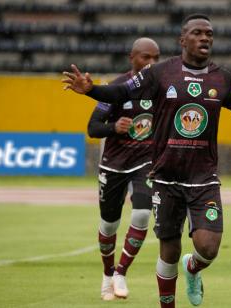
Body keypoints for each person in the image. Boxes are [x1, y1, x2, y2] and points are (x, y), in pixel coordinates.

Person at [62, 14, 231, 308]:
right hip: (165, 178)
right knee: (169, 250)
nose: (205, 38)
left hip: (203, 178)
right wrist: (92, 91)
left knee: (209, 248)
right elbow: (120, 91)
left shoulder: (223, 79)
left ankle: (193, 268)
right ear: (183, 40)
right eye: (198, 33)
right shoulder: (160, 73)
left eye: (210, 34)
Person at [88, 37, 160, 301]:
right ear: (132, 57)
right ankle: (107, 273)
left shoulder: (162, 87)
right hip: (114, 164)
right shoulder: (117, 88)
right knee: (109, 225)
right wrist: (113, 127)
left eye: (156, 58)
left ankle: (121, 272)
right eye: (145, 57)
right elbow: (93, 127)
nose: (151, 63)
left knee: (142, 215)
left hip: (145, 162)